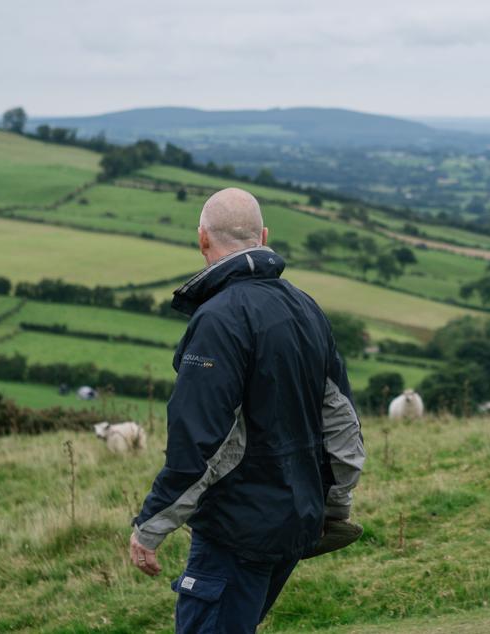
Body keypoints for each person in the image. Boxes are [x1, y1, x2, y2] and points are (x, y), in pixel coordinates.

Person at [129, 187, 366, 634]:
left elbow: (202, 439)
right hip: (294, 524)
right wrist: (335, 504)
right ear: (263, 235)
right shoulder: (305, 307)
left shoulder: (219, 319)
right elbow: (342, 423)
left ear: (202, 239)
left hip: (237, 530)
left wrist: (151, 525)